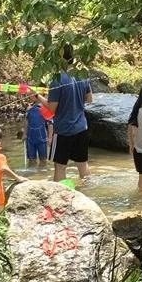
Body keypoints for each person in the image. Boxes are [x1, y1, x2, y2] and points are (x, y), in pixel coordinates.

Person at [47, 43, 94, 182]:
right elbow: (90, 99)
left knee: (60, 166)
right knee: (82, 163)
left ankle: (60, 195)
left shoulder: (56, 80)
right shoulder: (82, 75)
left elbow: (51, 109)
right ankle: (87, 192)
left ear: (59, 58)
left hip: (63, 130)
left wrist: (37, 97)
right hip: (81, 127)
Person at [19, 95, 53, 167]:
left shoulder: (45, 108)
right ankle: (32, 175)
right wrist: (24, 134)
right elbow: (27, 121)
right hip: (30, 138)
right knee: (31, 159)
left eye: (31, 95)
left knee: (43, 159)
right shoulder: (29, 108)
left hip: (42, 139)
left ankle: (42, 174)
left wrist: (50, 138)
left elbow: (50, 124)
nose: (29, 96)